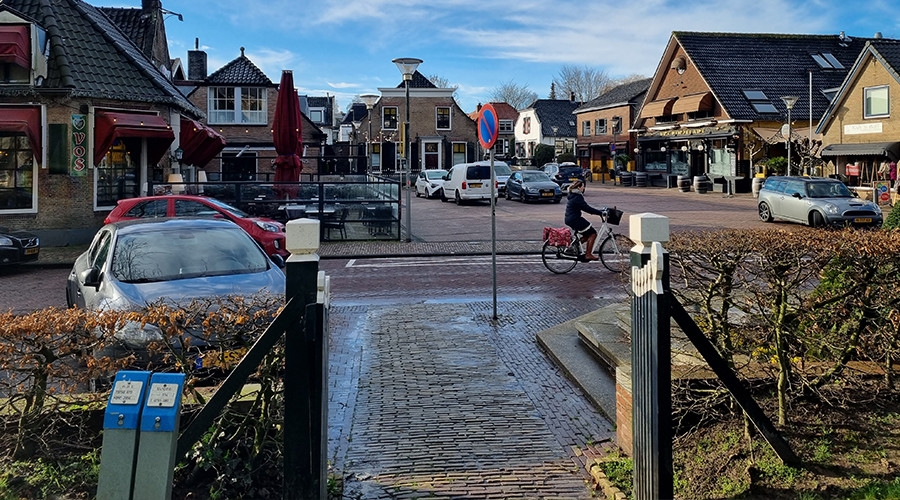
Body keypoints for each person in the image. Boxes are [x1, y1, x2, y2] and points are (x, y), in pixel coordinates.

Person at [564, 179, 606, 261]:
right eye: (583, 186)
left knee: (587, 234)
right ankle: (588, 254)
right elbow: (587, 208)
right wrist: (600, 213)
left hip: (570, 219)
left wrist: (599, 211)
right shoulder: (577, 197)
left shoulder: (573, 195)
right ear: (579, 187)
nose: (584, 188)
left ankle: (575, 245)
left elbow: (586, 207)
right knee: (593, 234)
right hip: (575, 219)